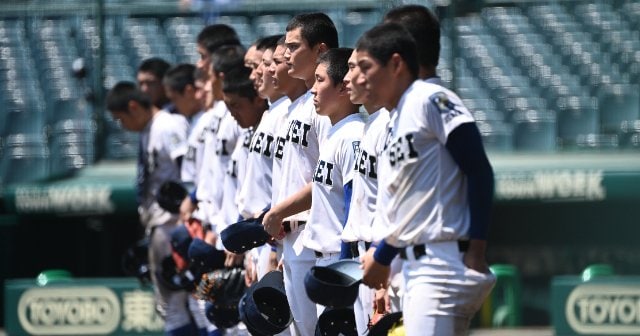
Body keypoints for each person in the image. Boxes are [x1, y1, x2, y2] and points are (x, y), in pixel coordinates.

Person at [356, 23, 496, 335]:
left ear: (396, 64)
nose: (361, 77)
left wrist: (476, 249)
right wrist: (385, 258)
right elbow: (408, 205)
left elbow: (479, 168)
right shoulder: (397, 115)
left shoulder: (428, 98)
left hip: (439, 262)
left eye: (367, 66)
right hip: (416, 263)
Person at [261, 13, 337, 336]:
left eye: (293, 47)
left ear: (320, 50)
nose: (287, 54)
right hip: (290, 238)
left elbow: (325, 179)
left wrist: (281, 211)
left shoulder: (325, 107)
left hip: (316, 237)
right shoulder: (297, 107)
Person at [106, 82, 194, 336]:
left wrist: (186, 222)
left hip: (173, 223)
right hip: (160, 223)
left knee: (178, 303)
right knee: (171, 303)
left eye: (121, 118)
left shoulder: (168, 125)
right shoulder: (150, 129)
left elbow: (188, 172)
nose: (122, 125)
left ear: (133, 107)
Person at [340, 48, 393, 334]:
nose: (348, 78)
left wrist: (383, 272)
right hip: (367, 257)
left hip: (384, 258)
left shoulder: (389, 125)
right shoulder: (369, 124)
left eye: (357, 68)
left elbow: (393, 202)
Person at [304, 47, 364, 267]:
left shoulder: (353, 134)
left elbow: (353, 201)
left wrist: (345, 265)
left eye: (320, 80)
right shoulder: (334, 132)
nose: (313, 89)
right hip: (323, 256)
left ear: (342, 87)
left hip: (340, 257)